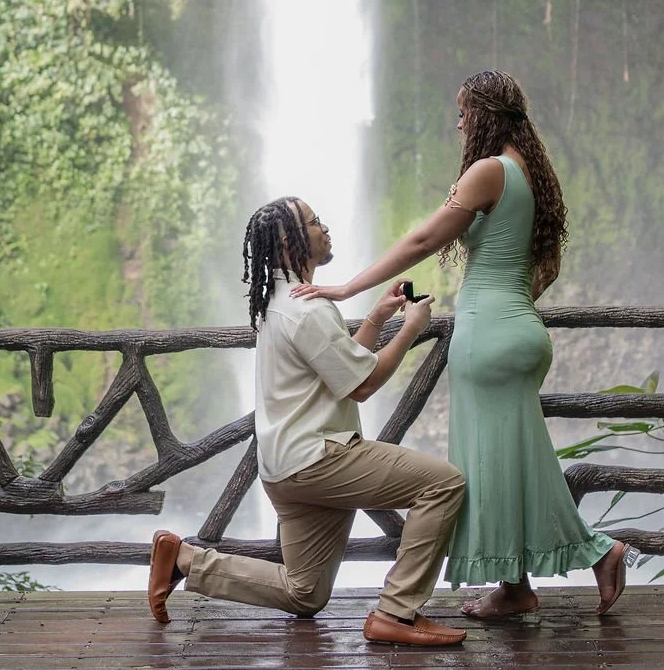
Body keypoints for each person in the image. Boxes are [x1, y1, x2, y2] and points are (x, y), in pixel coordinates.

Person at [294, 70, 630, 620]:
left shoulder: (488, 170)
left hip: (489, 334)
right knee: (513, 458)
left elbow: (426, 239)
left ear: (482, 116)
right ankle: (520, 587)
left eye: (462, 113)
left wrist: (346, 285)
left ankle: (593, 553)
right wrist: (510, 303)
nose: (456, 123)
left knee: (488, 462)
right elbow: (547, 264)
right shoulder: (532, 174)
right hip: (519, 327)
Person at [147, 196, 468, 647]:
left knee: (306, 594)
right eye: (315, 222)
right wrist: (413, 326)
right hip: (322, 458)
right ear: (287, 239)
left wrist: (376, 318)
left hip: (284, 467)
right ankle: (397, 612)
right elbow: (362, 384)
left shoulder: (279, 303)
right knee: (443, 483)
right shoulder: (308, 310)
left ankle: (184, 559)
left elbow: (339, 365)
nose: (325, 227)